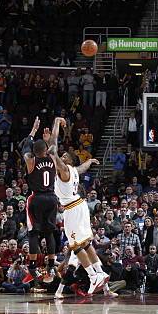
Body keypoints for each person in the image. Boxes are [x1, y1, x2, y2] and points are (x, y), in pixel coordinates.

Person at [48, 117, 110, 295]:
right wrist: (89, 162)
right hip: (79, 206)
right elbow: (82, 167)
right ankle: (99, 272)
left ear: (67, 161)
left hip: (73, 209)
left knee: (76, 246)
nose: (62, 155)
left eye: (65, 155)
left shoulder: (65, 170)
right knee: (87, 243)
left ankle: (93, 276)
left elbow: (53, 146)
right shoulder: (74, 170)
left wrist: (56, 123)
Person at [21, 117, 60, 277]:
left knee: (33, 233)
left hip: (36, 198)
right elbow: (54, 143)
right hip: (52, 198)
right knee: (49, 232)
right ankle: (51, 264)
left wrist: (33, 131)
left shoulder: (31, 161)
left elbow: (25, 148)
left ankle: (32, 266)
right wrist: (49, 138)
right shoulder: (52, 158)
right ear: (46, 150)